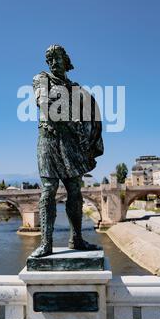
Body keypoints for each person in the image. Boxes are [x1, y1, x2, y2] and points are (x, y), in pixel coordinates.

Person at [31, 44, 104, 257]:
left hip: (71, 143)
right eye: (50, 59)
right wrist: (72, 118)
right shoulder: (41, 79)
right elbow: (43, 103)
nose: (53, 63)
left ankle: (77, 239)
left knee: (75, 190)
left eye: (57, 58)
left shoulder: (76, 88)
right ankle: (46, 243)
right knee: (48, 190)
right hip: (49, 140)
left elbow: (90, 113)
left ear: (66, 61)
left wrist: (88, 136)